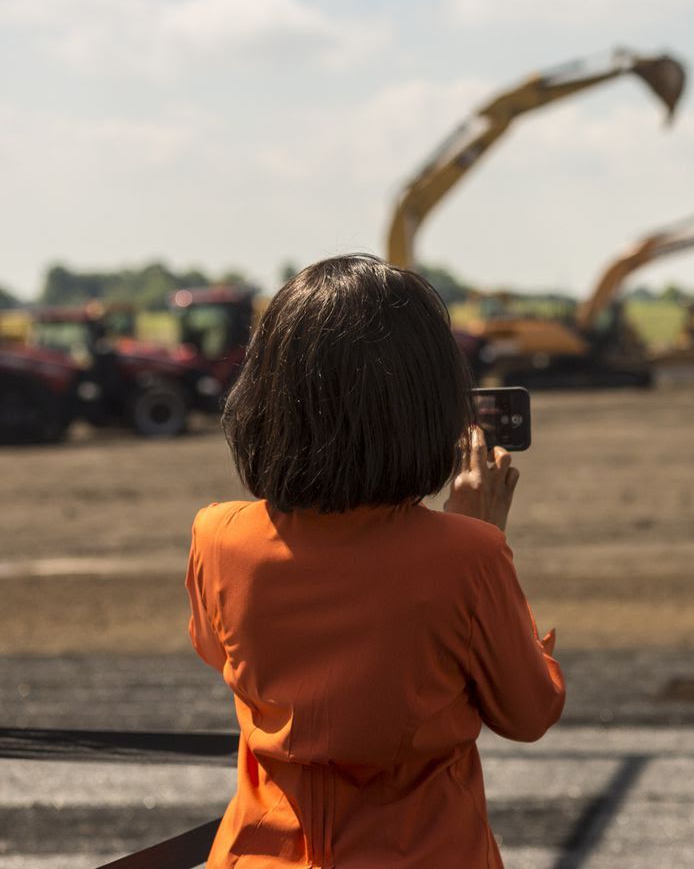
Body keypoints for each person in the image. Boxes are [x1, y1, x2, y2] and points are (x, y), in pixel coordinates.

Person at [185, 255, 563, 867]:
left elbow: (217, 647)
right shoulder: (469, 556)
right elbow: (528, 710)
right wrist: (480, 537)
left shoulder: (216, 534)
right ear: (427, 407)